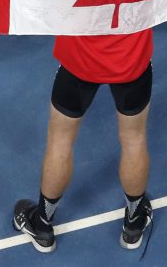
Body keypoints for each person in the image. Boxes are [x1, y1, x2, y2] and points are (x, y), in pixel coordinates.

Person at [12, 28, 154, 254]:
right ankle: (134, 223)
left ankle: (42, 224)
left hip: (78, 64)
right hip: (132, 64)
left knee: (60, 141)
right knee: (134, 140)